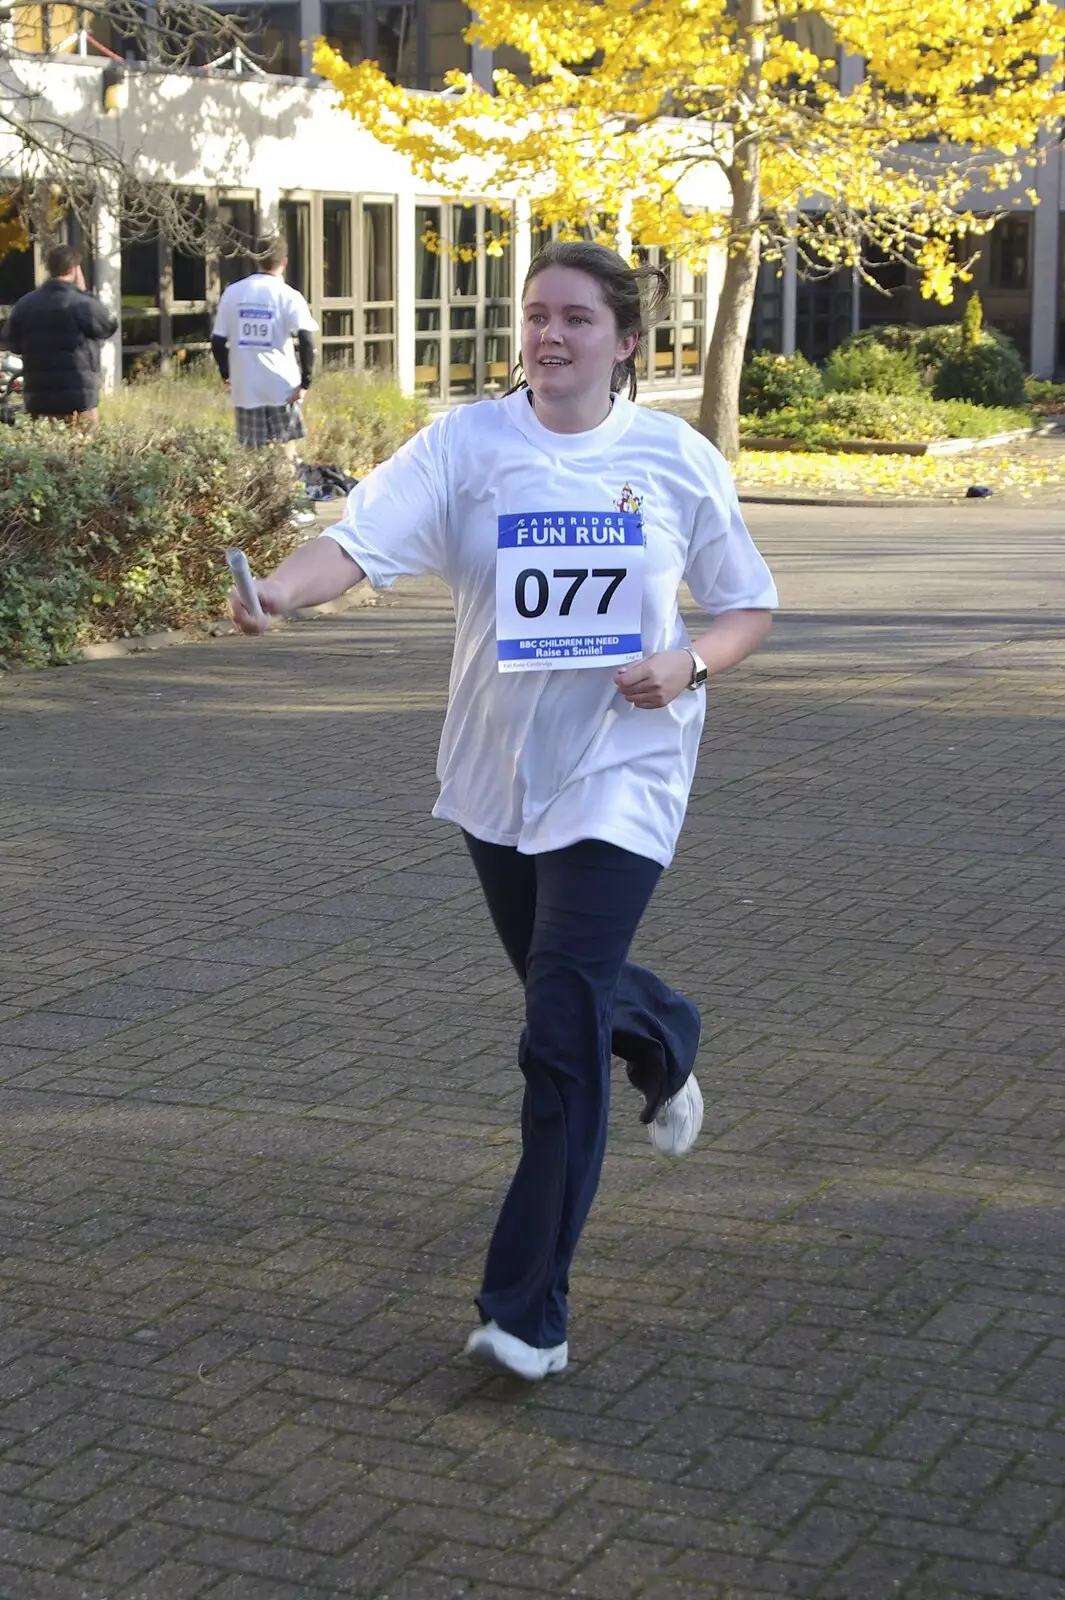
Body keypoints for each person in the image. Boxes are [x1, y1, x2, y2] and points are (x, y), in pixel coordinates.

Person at [230, 240, 778, 1382]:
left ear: (627, 340)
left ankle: (529, 1309)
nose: (550, 335)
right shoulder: (469, 444)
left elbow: (745, 607)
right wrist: (280, 589)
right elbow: (359, 539)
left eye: (578, 318)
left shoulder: (675, 459)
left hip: (625, 772)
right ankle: (665, 1030)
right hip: (496, 773)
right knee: (560, 985)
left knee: (556, 1034)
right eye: (537, 315)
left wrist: (690, 667)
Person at [211, 237, 318, 459]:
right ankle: (287, 490)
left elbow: (218, 341)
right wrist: (306, 381)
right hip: (282, 387)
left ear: (256, 260)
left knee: (250, 453)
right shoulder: (289, 296)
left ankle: (251, 492)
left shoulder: (233, 293)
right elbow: (306, 339)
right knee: (286, 451)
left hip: (246, 385)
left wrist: (227, 376)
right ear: (284, 262)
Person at [1, 244, 117, 423]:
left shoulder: (25, 304)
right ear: (74, 269)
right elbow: (108, 326)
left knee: (46, 448)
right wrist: (84, 293)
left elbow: (12, 343)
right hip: (79, 396)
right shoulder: (82, 303)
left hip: (39, 398)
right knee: (84, 447)